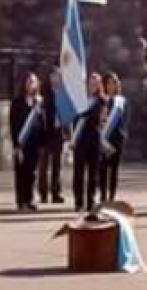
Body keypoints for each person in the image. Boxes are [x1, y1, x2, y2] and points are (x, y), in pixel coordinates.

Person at [10, 72, 47, 212]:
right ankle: (21, 201)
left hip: (34, 143)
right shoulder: (17, 102)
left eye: (33, 82)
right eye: (28, 81)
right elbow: (13, 125)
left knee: (32, 173)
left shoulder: (39, 102)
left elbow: (42, 123)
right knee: (21, 172)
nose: (30, 84)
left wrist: (42, 143)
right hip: (21, 142)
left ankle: (30, 199)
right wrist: (16, 145)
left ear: (37, 84)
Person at [72, 72, 108, 213]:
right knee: (78, 173)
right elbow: (74, 120)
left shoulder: (102, 101)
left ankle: (90, 201)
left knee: (93, 174)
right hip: (80, 140)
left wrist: (87, 115)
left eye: (96, 83)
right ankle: (78, 202)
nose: (93, 85)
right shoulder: (80, 100)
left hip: (94, 140)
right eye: (90, 82)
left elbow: (100, 120)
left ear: (99, 85)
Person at [98, 72, 130, 203]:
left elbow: (126, 119)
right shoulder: (101, 100)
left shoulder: (122, 101)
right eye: (109, 82)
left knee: (114, 169)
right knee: (103, 168)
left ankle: (111, 197)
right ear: (105, 84)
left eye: (114, 82)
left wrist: (123, 133)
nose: (112, 85)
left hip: (117, 138)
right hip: (104, 138)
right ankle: (103, 196)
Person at [37, 66, 66, 206]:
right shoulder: (44, 94)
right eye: (54, 75)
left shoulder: (63, 95)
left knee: (57, 165)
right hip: (45, 133)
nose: (56, 78)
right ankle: (43, 193)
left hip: (58, 132)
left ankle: (56, 192)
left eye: (58, 76)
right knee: (43, 165)